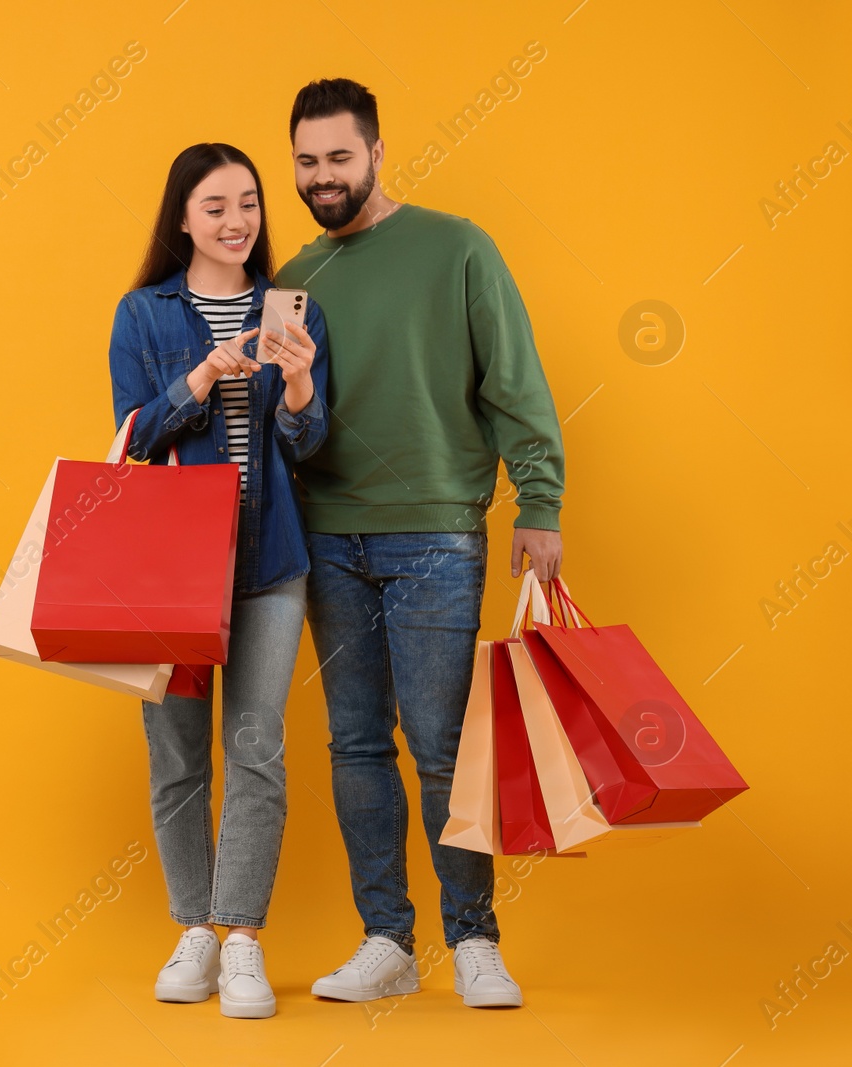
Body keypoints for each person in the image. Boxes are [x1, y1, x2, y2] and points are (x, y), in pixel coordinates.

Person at [274, 79, 566, 1009]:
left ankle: (474, 938)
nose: (324, 178)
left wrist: (541, 499)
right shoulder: (293, 278)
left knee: (441, 746)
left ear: (377, 152)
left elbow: (512, 377)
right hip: (327, 538)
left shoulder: (457, 247)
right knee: (357, 743)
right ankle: (386, 941)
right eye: (307, 162)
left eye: (339, 158)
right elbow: (290, 425)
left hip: (437, 533)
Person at [108, 143, 329, 1019]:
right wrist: (202, 375)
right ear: (182, 219)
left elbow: (312, 447)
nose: (237, 222)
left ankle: (241, 936)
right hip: (170, 570)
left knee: (257, 746)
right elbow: (132, 434)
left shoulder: (296, 306)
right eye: (215, 207)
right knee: (176, 753)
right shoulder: (143, 311)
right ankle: (193, 928)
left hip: (269, 560)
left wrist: (302, 381)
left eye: (249, 204)